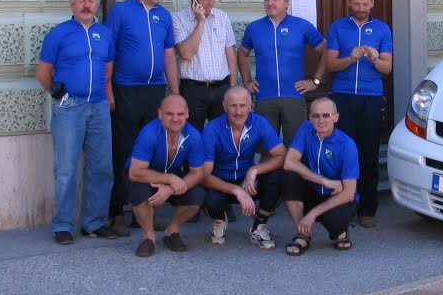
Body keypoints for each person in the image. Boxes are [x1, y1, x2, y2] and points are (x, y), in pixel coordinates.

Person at [35, 0, 116, 244]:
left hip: (99, 105)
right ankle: (63, 225)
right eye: (81, 1)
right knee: (67, 168)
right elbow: (43, 73)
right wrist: (59, 94)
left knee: (101, 167)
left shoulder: (105, 34)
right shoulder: (59, 34)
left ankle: (94, 222)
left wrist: (107, 98)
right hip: (70, 107)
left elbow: (107, 69)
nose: (86, 5)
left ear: (97, 5)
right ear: (72, 4)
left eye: (91, 1)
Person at [106, 0, 180, 226]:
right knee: (123, 151)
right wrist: (108, 90)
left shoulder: (164, 15)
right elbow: (109, 53)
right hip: (125, 89)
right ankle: (117, 210)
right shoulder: (120, 12)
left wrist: (175, 92)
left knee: (151, 152)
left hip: (155, 91)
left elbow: (169, 55)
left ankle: (144, 212)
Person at [325, 0, 393, 228]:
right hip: (343, 96)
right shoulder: (338, 27)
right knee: (343, 152)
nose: (361, 8)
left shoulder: (382, 29)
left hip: (371, 97)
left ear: (372, 3)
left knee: (368, 153)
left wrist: (375, 59)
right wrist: (350, 58)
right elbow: (331, 64)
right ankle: (343, 206)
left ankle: (367, 209)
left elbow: (388, 69)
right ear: (349, 3)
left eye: (365, 4)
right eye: (356, 4)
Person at [238, 0, 327, 145]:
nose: (270, 3)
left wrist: (316, 81)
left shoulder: (302, 26)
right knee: (266, 147)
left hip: (294, 96)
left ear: (287, 3)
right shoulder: (254, 28)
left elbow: (326, 51)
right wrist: (247, 82)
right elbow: (242, 53)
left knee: (295, 147)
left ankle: (293, 172)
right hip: (265, 97)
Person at [201, 86, 286, 250]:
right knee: (207, 196)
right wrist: (235, 190)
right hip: (220, 182)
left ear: (250, 106)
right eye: (233, 106)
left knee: (277, 175)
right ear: (225, 107)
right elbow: (204, 175)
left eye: (243, 105)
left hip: (247, 180)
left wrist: (254, 170)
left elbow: (282, 155)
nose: (238, 111)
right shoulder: (212, 128)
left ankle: (259, 227)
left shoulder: (259, 122)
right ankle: (219, 220)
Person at [126, 94, 205, 258]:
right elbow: (135, 172)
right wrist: (169, 179)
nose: (175, 119)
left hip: (172, 177)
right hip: (145, 176)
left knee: (197, 195)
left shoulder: (194, 136)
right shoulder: (149, 133)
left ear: (187, 114)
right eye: (169, 114)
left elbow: (198, 173)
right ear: (160, 114)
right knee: (138, 192)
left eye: (180, 114)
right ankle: (149, 237)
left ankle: (172, 231)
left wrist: (169, 189)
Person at [282, 96, 358, 255]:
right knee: (290, 176)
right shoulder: (305, 128)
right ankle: (303, 233)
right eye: (316, 115)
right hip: (314, 189)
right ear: (310, 117)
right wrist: (323, 180)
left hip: (337, 196)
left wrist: (312, 214)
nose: (320, 120)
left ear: (336, 117)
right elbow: (289, 162)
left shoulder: (347, 145)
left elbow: (349, 193)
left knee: (335, 221)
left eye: (326, 115)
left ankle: (340, 233)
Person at [172, 0, 238, 129]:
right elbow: (186, 54)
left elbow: (230, 53)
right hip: (193, 90)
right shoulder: (179, 19)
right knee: (192, 135)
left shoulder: (222, 17)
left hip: (221, 87)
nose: (211, 2)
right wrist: (200, 22)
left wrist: (233, 87)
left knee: (222, 135)